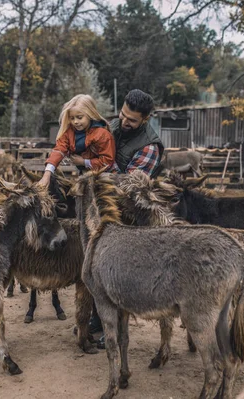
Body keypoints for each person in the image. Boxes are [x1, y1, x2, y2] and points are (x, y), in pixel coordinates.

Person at [88, 89, 165, 349]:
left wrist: (97, 165)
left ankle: (115, 331)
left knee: (117, 273)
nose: (124, 122)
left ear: (145, 119)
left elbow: (127, 184)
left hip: (130, 216)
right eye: (122, 115)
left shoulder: (150, 146)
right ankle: (97, 320)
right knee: (94, 266)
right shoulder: (112, 126)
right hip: (101, 208)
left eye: (131, 120)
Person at [39, 94, 115, 187]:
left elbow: (107, 161)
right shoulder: (69, 132)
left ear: (90, 114)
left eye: (79, 117)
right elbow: (59, 150)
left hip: (106, 177)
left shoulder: (102, 134)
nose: (75, 122)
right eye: (72, 118)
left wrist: (84, 162)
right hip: (85, 175)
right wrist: (47, 173)